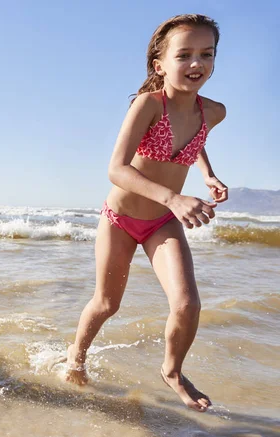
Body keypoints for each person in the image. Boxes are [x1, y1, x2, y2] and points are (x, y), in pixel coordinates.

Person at [66, 14, 228, 412]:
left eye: (206, 54)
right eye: (184, 54)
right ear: (161, 65)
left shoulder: (215, 111)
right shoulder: (147, 105)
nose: (196, 63)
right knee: (106, 304)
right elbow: (116, 169)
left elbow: (195, 136)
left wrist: (207, 174)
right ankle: (75, 357)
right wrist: (174, 197)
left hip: (161, 223)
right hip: (120, 219)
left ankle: (172, 371)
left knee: (188, 305)